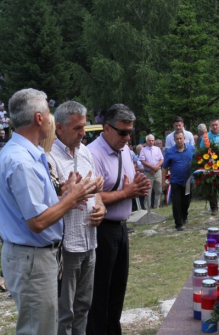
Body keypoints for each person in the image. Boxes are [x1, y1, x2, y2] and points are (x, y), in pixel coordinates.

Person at [0, 88, 99, 335]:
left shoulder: (25, 153)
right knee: (39, 330)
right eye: (48, 112)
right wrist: (73, 197)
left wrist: (62, 195)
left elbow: (36, 206)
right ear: (39, 118)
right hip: (32, 259)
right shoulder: (22, 160)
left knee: (44, 326)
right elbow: (37, 222)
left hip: (34, 257)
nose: (51, 118)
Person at [86, 104, 151, 335]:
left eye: (130, 132)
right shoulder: (93, 154)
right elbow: (90, 197)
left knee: (117, 291)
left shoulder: (123, 149)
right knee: (100, 294)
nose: (127, 137)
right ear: (107, 128)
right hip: (102, 230)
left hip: (121, 229)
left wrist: (137, 187)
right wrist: (127, 192)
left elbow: (127, 184)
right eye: (123, 132)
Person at [48, 101, 106, 335]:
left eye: (84, 126)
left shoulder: (85, 152)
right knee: (65, 311)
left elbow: (97, 193)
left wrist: (101, 208)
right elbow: (47, 203)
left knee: (83, 305)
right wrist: (66, 193)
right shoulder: (49, 156)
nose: (83, 133)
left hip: (89, 241)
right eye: (77, 128)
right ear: (59, 128)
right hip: (66, 246)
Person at [162, 130, 195, 231]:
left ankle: (184, 215)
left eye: (181, 138)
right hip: (176, 181)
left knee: (186, 200)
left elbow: (197, 161)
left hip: (189, 180)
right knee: (176, 202)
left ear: (184, 138)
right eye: (177, 139)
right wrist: (163, 181)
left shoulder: (191, 149)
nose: (179, 140)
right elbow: (164, 167)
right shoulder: (170, 152)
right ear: (174, 140)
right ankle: (178, 223)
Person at [200, 119, 219, 215]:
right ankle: (214, 207)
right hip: (210, 162)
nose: (214, 127)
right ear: (210, 126)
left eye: (216, 125)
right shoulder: (206, 136)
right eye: (213, 125)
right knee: (212, 184)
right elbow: (202, 149)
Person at [139, 134, 164, 210]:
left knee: (158, 189)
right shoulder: (143, 150)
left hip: (158, 172)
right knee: (148, 191)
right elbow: (143, 161)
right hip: (148, 173)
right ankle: (147, 207)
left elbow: (162, 159)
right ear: (146, 141)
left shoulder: (157, 149)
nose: (151, 142)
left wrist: (156, 167)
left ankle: (157, 206)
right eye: (149, 140)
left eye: (152, 140)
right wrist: (152, 167)